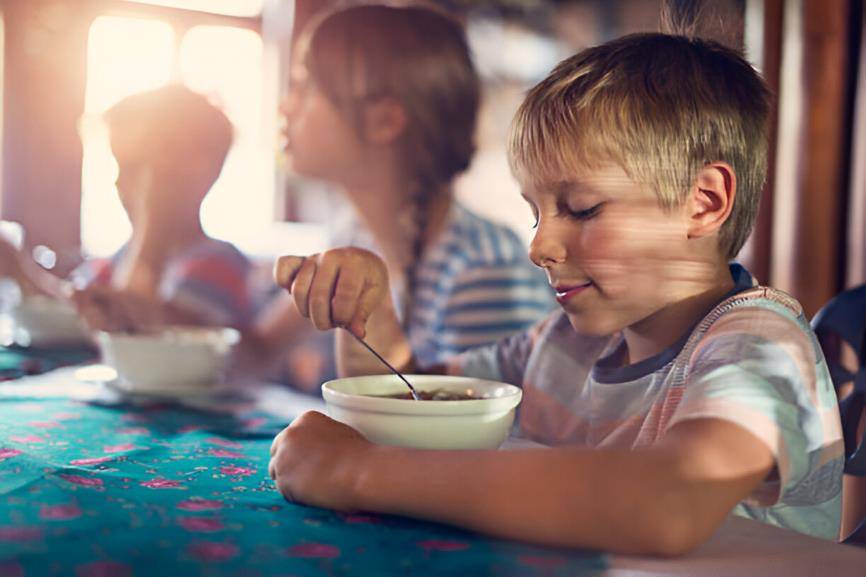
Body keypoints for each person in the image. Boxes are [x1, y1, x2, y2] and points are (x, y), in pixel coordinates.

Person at [267, 33, 844, 555]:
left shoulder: (760, 347)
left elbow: (665, 503)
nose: (540, 246)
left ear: (704, 202)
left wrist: (359, 473)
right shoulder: (562, 347)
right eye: (535, 213)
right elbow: (413, 405)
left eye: (583, 208)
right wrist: (368, 306)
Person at [247, 3, 555, 389]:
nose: (284, 107)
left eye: (306, 85)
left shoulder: (485, 269)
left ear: (385, 120)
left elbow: (472, 437)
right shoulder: (355, 233)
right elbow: (256, 350)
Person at [0, 85, 254, 333]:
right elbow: (74, 316)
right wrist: (21, 272)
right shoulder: (119, 260)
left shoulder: (217, 265)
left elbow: (134, 335)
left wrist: (153, 227)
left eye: (134, 167)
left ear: (199, 172)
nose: (118, 182)